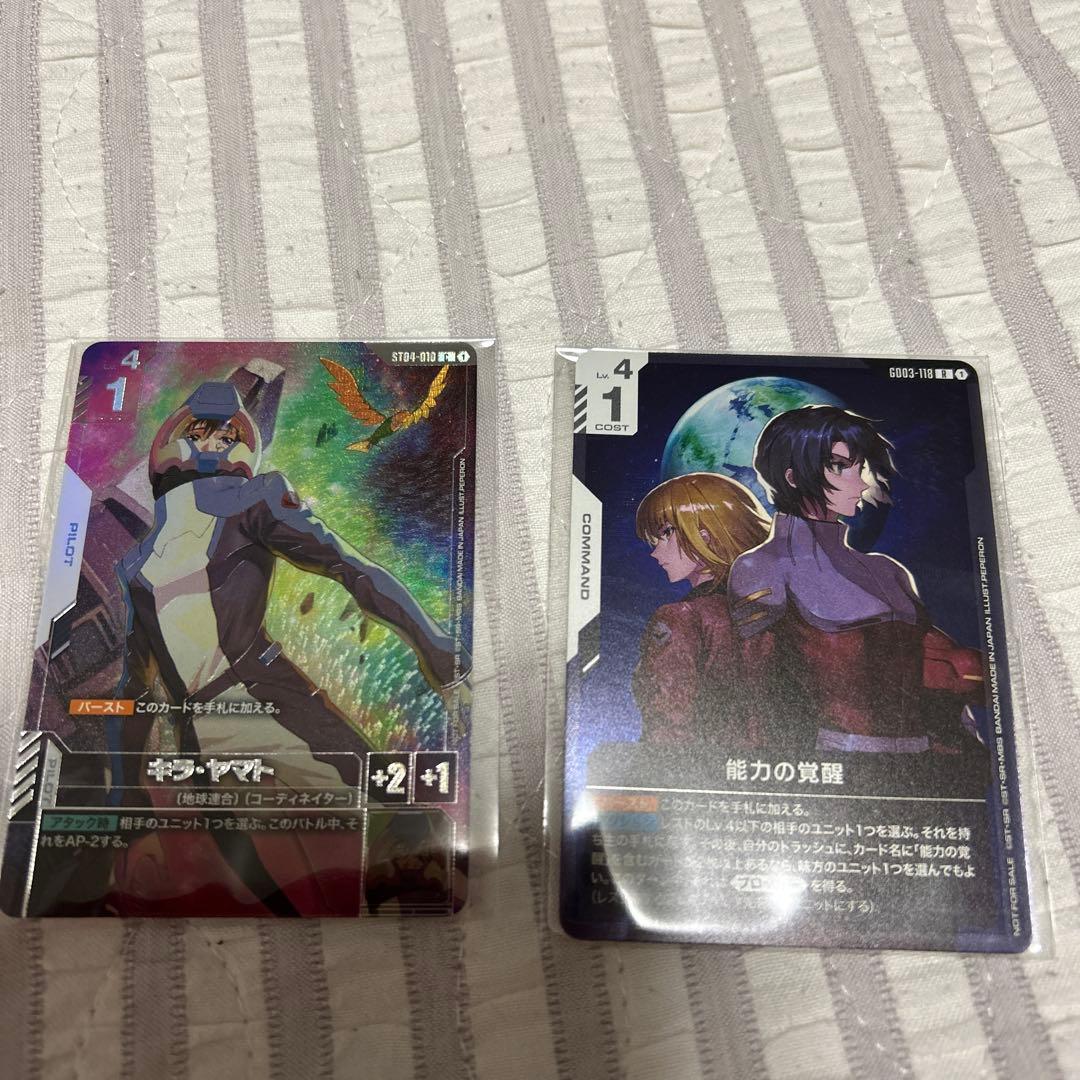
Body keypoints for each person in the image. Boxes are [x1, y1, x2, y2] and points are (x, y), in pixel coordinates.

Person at [111, 380, 466, 797]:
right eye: (200, 433)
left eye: (226, 437)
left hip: (276, 707)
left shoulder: (254, 499)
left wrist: (443, 656)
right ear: (174, 440)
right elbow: (135, 686)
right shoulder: (134, 566)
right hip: (203, 747)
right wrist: (122, 791)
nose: (212, 446)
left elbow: (349, 567)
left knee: (391, 813)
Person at [727, 405, 986, 759]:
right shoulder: (763, 565)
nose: (861, 482)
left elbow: (948, 680)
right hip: (836, 764)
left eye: (859, 466)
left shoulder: (887, 571)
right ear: (793, 477)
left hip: (929, 763)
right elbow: (751, 700)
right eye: (839, 466)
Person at [631, 472, 770, 745]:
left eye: (666, 533)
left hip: (697, 764)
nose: (655, 552)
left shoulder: (681, 618)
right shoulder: (775, 614)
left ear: (705, 536)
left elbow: (669, 725)